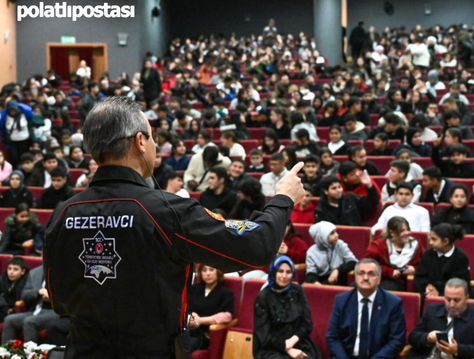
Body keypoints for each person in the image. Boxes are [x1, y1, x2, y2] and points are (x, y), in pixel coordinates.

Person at [42, 96, 305, 358]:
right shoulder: (166, 211)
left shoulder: (62, 213)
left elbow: (60, 302)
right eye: (152, 137)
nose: (154, 144)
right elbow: (257, 246)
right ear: (140, 141)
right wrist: (283, 199)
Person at [326, 258, 406, 359]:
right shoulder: (341, 300)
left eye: (371, 274)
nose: (365, 278)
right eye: (361, 273)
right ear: (355, 277)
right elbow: (332, 337)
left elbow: (397, 341)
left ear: (379, 279)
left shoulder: (393, 303)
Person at [405, 278, 474, 359]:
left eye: (457, 300)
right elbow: (413, 337)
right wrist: (428, 337)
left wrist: (457, 349)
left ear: (467, 298)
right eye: (448, 299)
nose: (452, 305)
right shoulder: (432, 310)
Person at [253, 255, 321, 359]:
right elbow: (264, 336)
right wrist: (286, 347)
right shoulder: (263, 296)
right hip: (270, 347)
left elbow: (307, 324)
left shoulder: (297, 290)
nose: (284, 276)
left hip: (297, 341)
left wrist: (291, 342)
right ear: (273, 272)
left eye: (288, 272)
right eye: (280, 271)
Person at [365, 217, 425, 291]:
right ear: (392, 232)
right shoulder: (378, 245)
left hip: (402, 282)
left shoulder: (416, 244)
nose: (407, 233)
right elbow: (367, 264)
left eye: (408, 229)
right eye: (402, 231)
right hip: (381, 277)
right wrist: (389, 271)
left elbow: (425, 264)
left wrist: (414, 269)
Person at [414, 225, 471, 298]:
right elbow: (420, 276)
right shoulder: (428, 254)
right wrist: (428, 286)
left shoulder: (460, 257)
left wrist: (437, 289)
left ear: (445, 241)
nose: (430, 242)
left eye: (434, 239)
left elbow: (459, 282)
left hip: (450, 295)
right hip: (427, 293)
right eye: (430, 239)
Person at [189, 265, 234, 352]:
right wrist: (188, 318)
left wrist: (201, 320)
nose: (208, 274)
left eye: (211, 270)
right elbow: (186, 308)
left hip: (206, 334)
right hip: (188, 330)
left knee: (186, 345)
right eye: (204, 270)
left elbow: (227, 316)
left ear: (218, 272)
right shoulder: (194, 289)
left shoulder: (226, 293)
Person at [305, 221, 357, 286]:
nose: (337, 235)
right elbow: (311, 272)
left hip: (338, 279)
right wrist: (316, 283)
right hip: (320, 282)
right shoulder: (311, 251)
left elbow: (353, 262)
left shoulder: (340, 245)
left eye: (336, 231)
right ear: (322, 236)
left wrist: (337, 270)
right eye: (332, 233)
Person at [315, 175, 379, 226]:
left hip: (355, 235)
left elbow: (372, 203)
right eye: (334, 188)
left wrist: (369, 186)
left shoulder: (350, 198)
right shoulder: (320, 210)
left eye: (339, 187)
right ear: (326, 191)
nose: (338, 190)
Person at [0, 257, 28, 322]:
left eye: (15, 269)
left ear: (23, 271)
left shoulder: (26, 282)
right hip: (3, 308)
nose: (11, 272)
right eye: (9, 269)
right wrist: (5, 308)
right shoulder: (2, 279)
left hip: (16, 311)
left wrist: (12, 310)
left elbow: (23, 300)